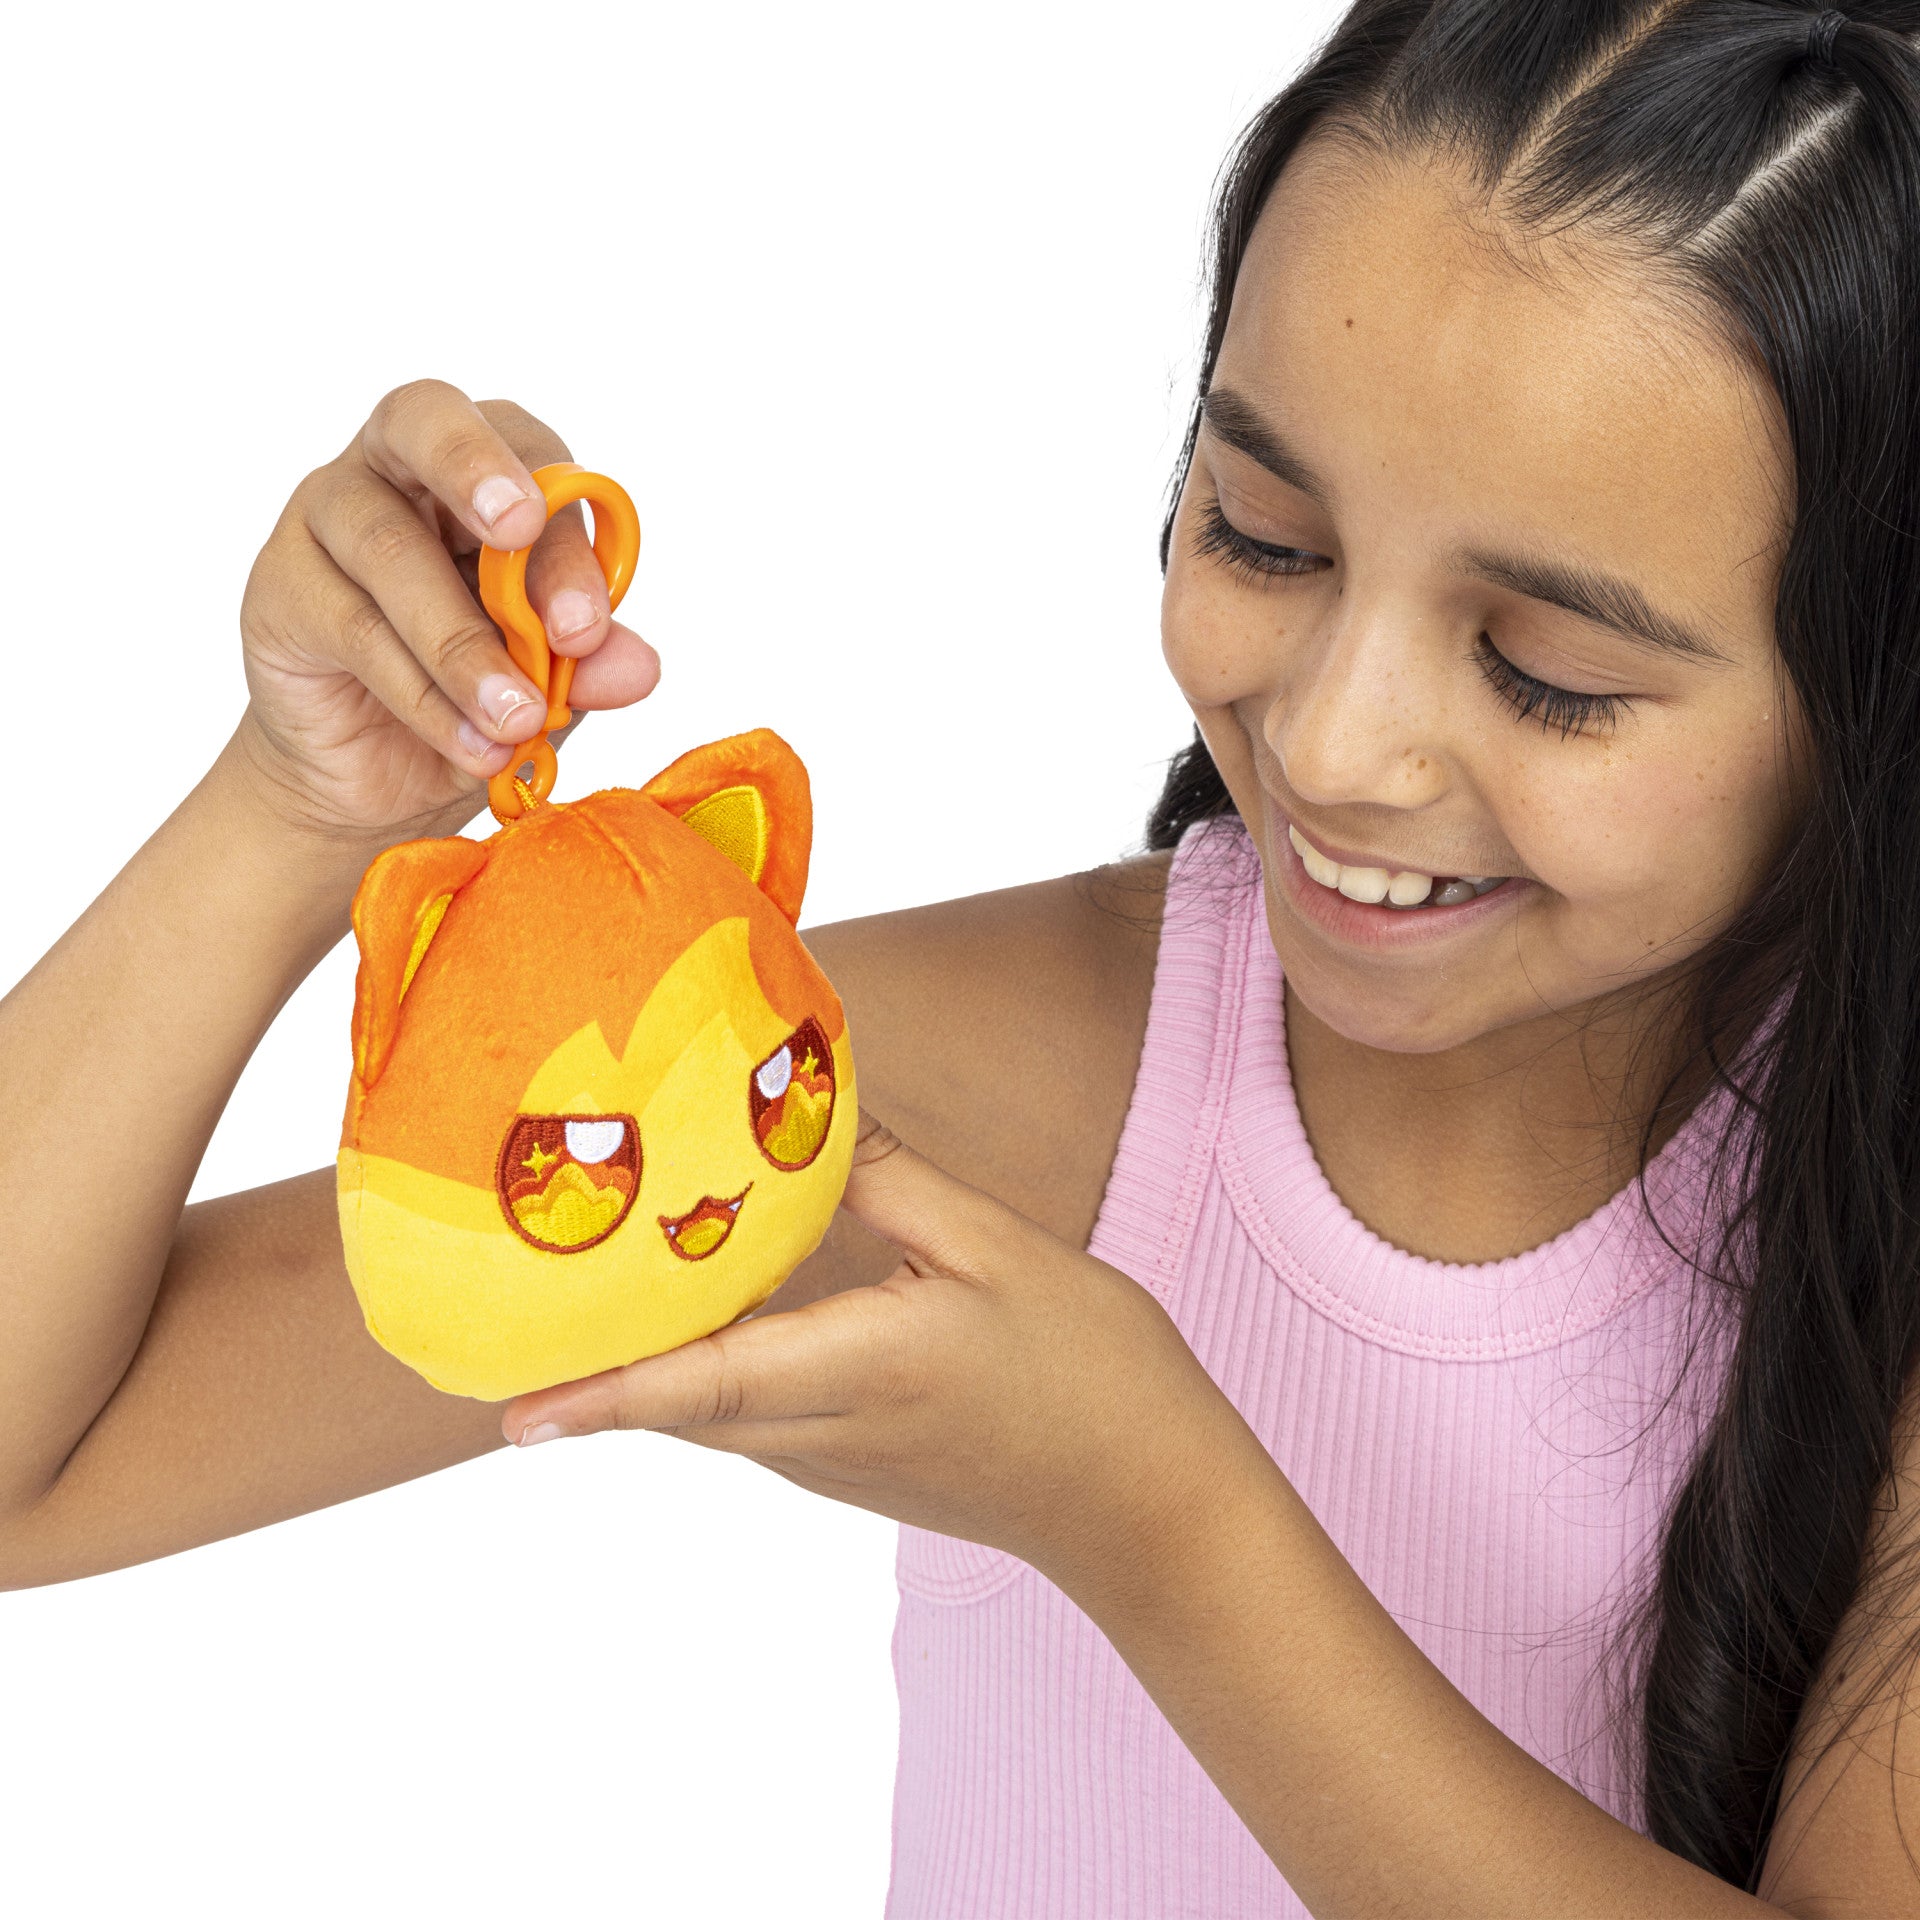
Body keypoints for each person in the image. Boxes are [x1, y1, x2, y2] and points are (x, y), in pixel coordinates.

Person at [4, 1, 1917, 1911]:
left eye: (1548, 673)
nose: (1336, 747)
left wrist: (1145, 1514)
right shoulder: (1010, 1085)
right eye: (1264, 538)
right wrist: (293, 810)